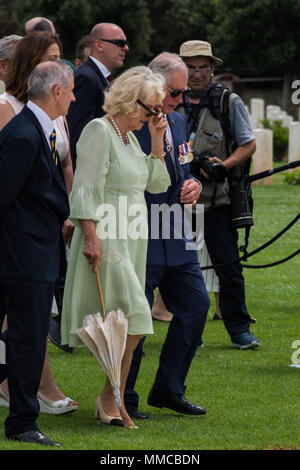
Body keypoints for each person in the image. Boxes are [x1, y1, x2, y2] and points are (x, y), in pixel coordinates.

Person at [61, 65, 171, 429]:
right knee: (138, 315)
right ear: (128, 100)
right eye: (151, 108)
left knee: (126, 320)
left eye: (157, 110)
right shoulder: (99, 131)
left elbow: (155, 186)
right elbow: (86, 187)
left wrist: (157, 142)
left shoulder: (132, 138)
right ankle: (112, 398)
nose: (154, 115)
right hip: (107, 234)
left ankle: (110, 398)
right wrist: (90, 235)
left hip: (132, 234)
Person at [124, 52, 210, 420]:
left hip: (176, 231)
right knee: (136, 319)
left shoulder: (176, 120)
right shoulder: (129, 123)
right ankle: (122, 397)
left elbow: (185, 167)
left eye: (182, 93)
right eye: (174, 93)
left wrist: (193, 184)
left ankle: (168, 389)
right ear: (154, 87)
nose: (180, 100)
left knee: (196, 304)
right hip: (141, 230)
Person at [0, 32, 77, 415]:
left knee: (28, 335)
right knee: (28, 337)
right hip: (24, 252)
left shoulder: (39, 127)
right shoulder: (25, 135)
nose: (76, 99)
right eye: (73, 92)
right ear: (58, 91)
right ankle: (23, 420)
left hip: (37, 247)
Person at [176, 40, 259, 349]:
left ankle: (239, 329)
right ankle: (185, 331)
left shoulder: (228, 101)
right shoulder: (169, 99)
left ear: (212, 68)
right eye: (190, 68)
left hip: (216, 199)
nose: (196, 74)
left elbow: (248, 143)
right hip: (176, 200)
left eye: (203, 68)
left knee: (228, 266)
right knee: (173, 267)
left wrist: (223, 165)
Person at [67, 22, 129, 169]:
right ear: (99, 45)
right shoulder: (86, 77)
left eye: (126, 43)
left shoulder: (98, 76)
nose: (126, 48)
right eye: (120, 43)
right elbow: (80, 133)